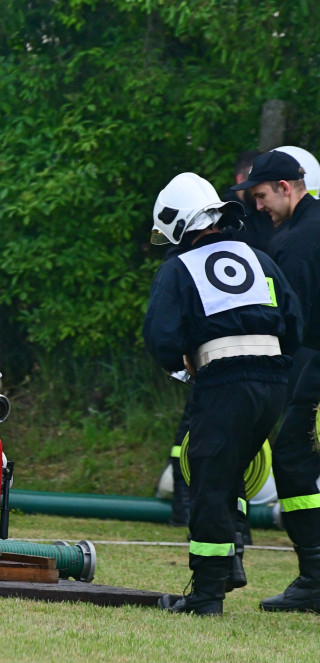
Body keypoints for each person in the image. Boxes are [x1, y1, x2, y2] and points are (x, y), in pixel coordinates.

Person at [144, 171, 302, 615]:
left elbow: (160, 338)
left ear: (177, 223)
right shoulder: (259, 258)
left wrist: (186, 368)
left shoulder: (178, 268)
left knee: (209, 483)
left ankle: (206, 594)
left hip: (224, 384)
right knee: (232, 476)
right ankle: (230, 561)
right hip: (274, 384)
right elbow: (293, 322)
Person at [232, 149, 320, 613]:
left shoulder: (296, 242)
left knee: (293, 458)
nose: (259, 206)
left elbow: (288, 323)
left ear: (286, 187)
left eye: (262, 196)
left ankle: (315, 578)